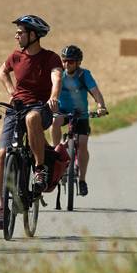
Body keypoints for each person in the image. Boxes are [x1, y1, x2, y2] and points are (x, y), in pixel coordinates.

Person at [0, 15, 62, 229]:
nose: (17, 35)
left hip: (40, 108)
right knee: (3, 154)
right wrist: (12, 92)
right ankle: (3, 207)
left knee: (33, 118)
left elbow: (57, 77)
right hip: (17, 109)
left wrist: (53, 96)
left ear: (33, 35)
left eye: (21, 32)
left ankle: (39, 168)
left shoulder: (50, 57)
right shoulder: (16, 56)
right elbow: (2, 71)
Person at [50, 45, 108, 197]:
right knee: (55, 122)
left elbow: (96, 92)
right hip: (63, 111)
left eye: (70, 61)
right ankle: (57, 151)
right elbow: (50, 93)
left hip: (81, 114)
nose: (66, 64)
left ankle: (82, 180)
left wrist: (101, 106)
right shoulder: (58, 75)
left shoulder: (84, 75)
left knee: (82, 144)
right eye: (64, 61)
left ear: (78, 63)